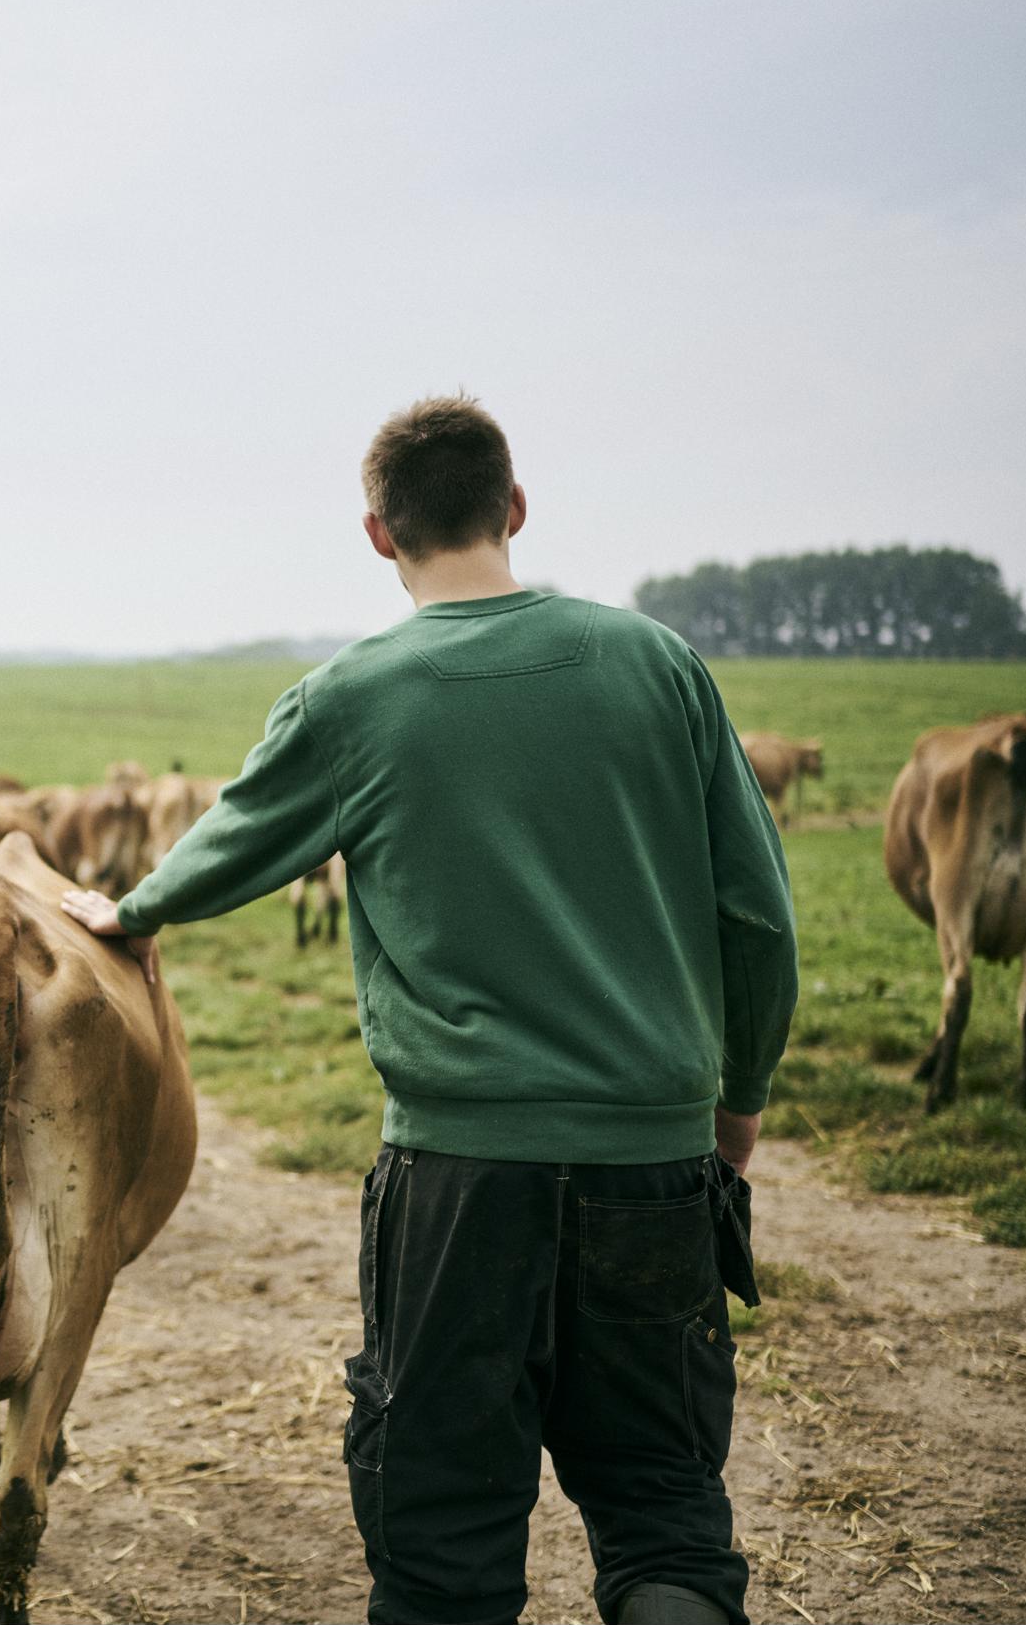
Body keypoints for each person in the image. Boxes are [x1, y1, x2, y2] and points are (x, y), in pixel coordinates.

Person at [63, 396, 797, 1625]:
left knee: (441, 1538)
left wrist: (127, 912)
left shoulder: (350, 698)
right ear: (512, 508)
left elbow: (226, 850)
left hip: (460, 1181)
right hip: (656, 1166)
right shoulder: (657, 665)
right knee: (665, 1514)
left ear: (375, 534)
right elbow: (760, 921)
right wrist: (734, 1113)